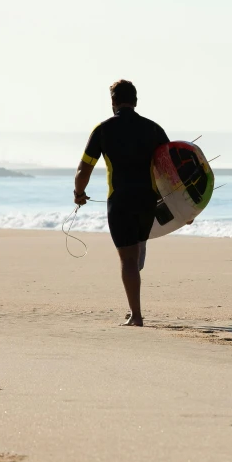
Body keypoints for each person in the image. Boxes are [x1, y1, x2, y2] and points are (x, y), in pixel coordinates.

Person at [73, 80, 169, 327]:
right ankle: (133, 309)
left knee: (128, 260)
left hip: (120, 202)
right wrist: (182, 208)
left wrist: (79, 192)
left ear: (113, 102)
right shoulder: (153, 129)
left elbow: (84, 168)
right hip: (148, 202)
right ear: (135, 101)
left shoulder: (103, 130)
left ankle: (136, 316)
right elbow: (171, 168)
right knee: (136, 257)